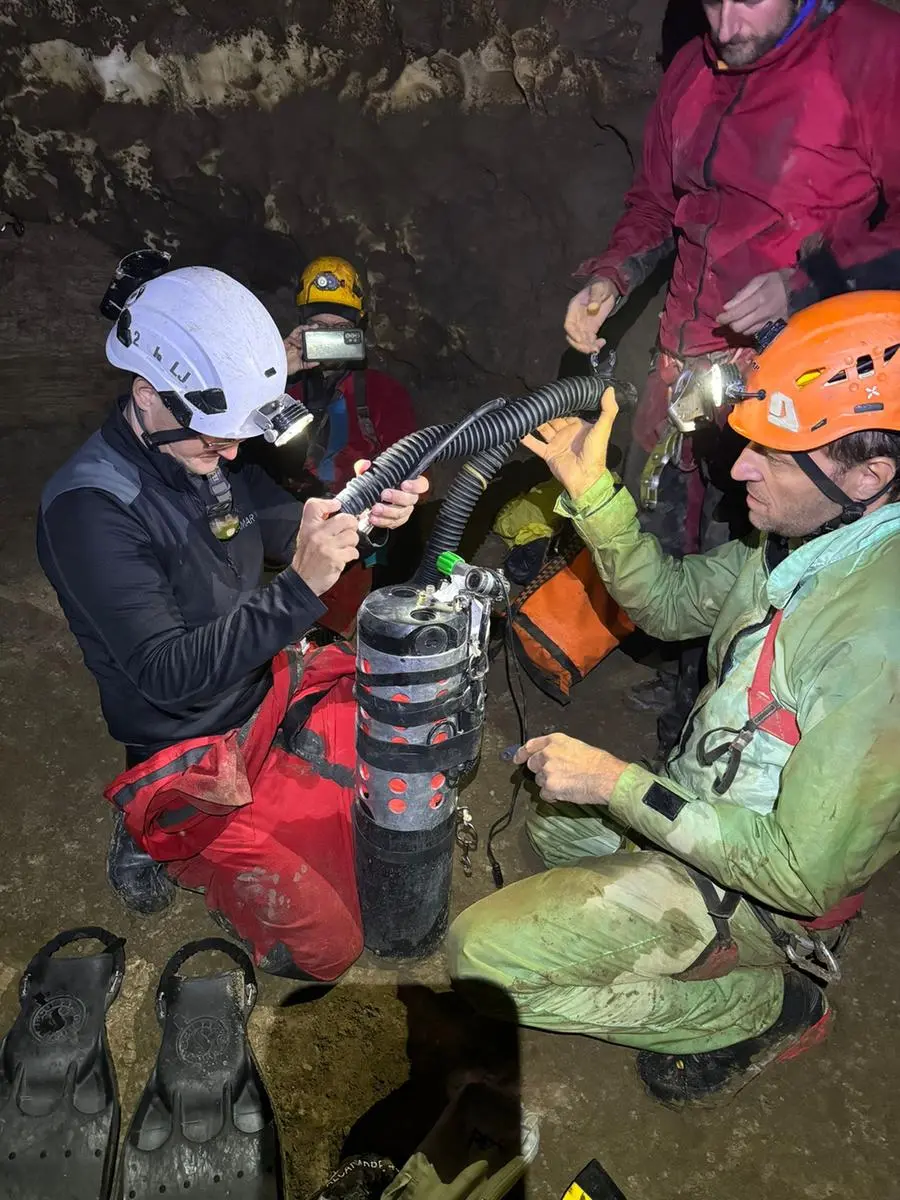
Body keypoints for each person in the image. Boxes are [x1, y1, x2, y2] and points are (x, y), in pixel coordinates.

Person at [449, 291, 900, 1107]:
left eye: (773, 455)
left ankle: (768, 1003)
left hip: (772, 892)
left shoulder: (880, 641)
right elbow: (668, 603)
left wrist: (615, 783)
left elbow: (801, 875)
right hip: (706, 803)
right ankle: (658, 907)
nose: (737, 470)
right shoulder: (805, 541)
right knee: (553, 826)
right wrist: (593, 495)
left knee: (481, 960)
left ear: (869, 474)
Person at [36, 260, 427, 979]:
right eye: (216, 439)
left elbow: (279, 524)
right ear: (149, 395)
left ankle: (266, 769)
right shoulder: (90, 511)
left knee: (399, 744)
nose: (231, 454)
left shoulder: (203, 449)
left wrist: (361, 518)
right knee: (329, 949)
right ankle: (158, 828)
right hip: (186, 739)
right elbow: (167, 675)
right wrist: (303, 586)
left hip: (266, 687)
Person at [564, 0, 900, 757]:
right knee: (675, 528)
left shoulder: (869, 51)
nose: (725, 21)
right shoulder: (692, 68)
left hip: (800, 371)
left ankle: (753, 721)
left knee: (762, 545)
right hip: (687, 355)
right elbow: (655, 203)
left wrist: (806, 281)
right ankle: (688, 695)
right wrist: (615, 278)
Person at [245, 255, 419, 635]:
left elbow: (415, 467)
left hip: (344, 516)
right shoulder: (276, 381)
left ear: (359, 331)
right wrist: (271, 369)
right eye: (316, 329)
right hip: (279, 506)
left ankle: (325, 634)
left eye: (339, 331)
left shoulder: (382, 392)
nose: (327, 342)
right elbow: (222, 437)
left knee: (342, 563)